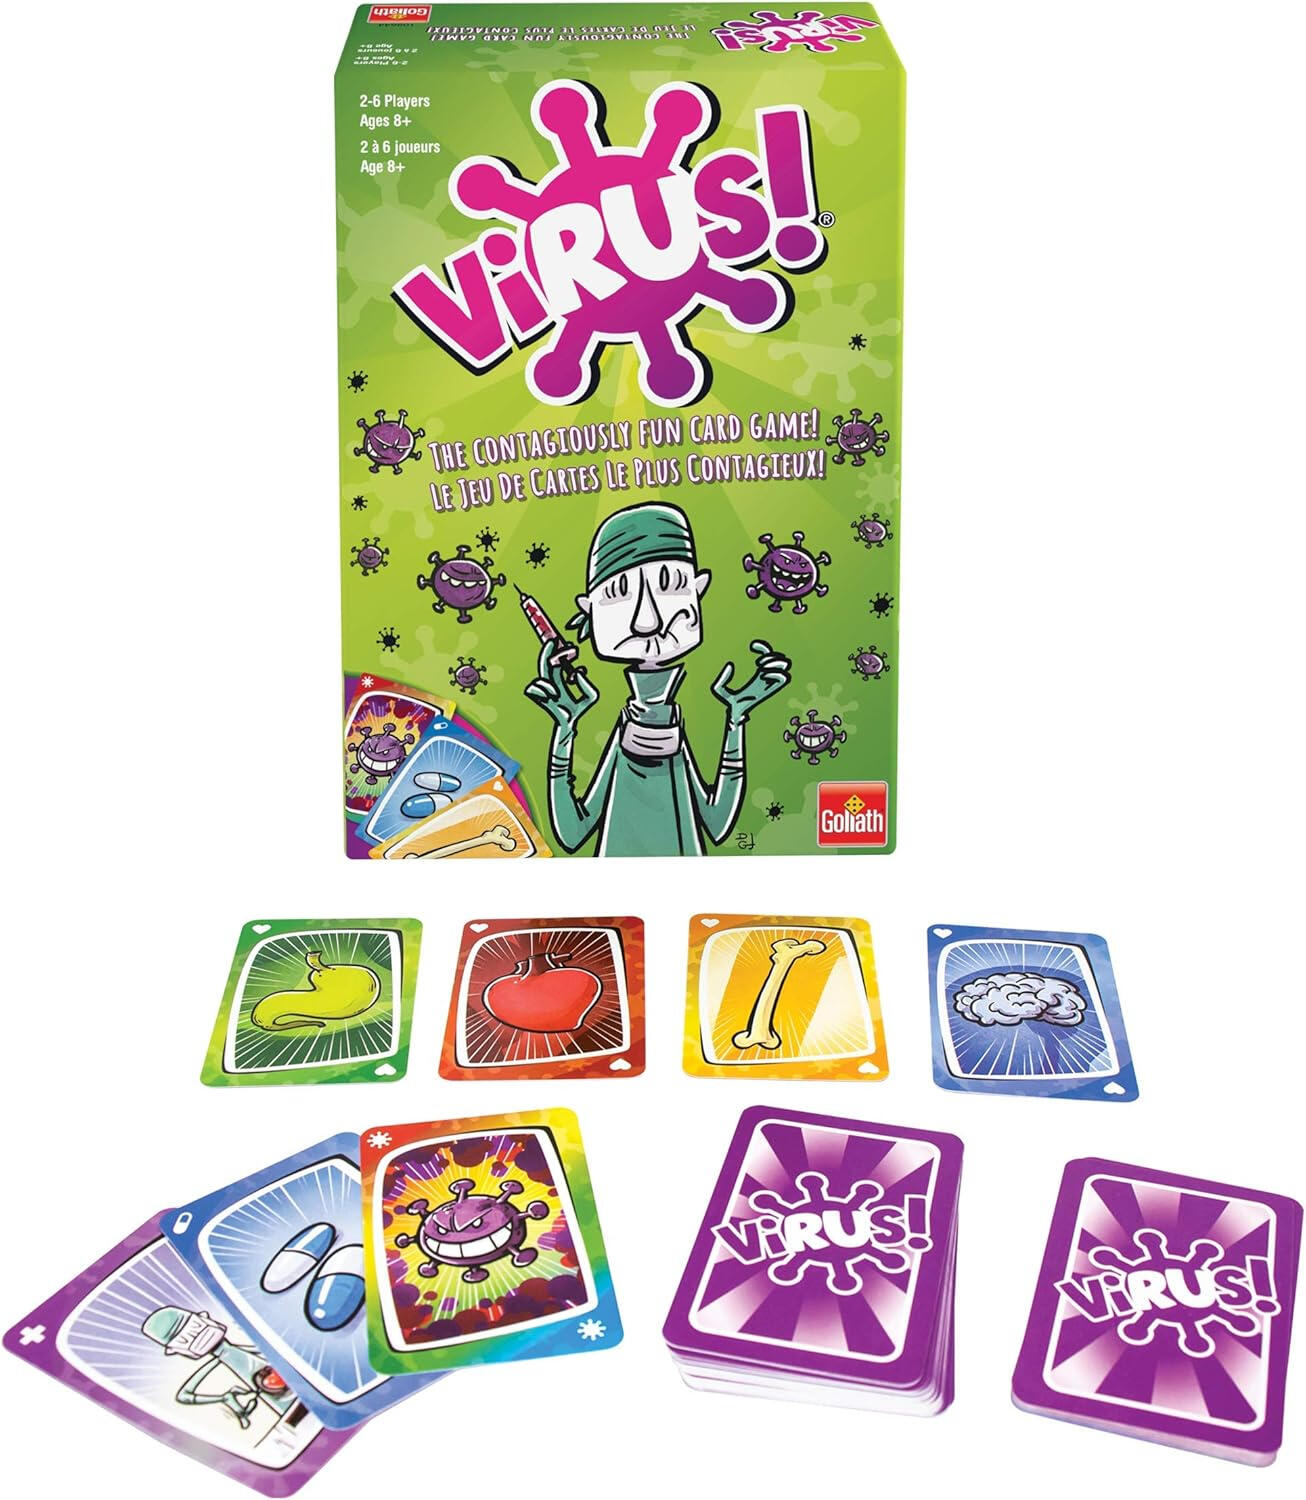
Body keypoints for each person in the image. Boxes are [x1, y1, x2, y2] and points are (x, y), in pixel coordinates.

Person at [525, 501, 790, 855]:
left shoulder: (670, 730)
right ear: (590, 610)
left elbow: (717, 822)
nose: (647, 621)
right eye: (619, 593)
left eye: (668, 585)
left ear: (698, 590)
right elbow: (572, 834)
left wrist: (737, 720)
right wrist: (564, 731)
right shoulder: (630, 733)